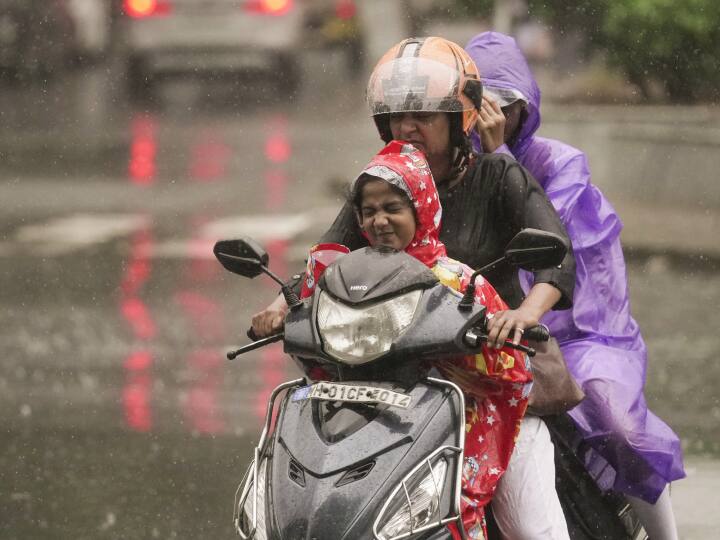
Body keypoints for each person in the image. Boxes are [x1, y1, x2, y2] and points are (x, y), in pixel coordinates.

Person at [253, 36, 572, 539]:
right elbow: (327, 257)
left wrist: (524, 315)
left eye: (424, 114)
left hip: (490, 372)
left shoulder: (497, 173)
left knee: (530, 524)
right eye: (398, 117)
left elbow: (557, 256)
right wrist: (279, 304)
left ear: (459, 116)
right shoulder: (383, 185)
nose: (408, 127)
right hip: (393, 373)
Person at [466, 31, 685, 539]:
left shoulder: (557, 165)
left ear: (526, 107)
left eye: (506, 106)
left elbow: (549, 242)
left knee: (621, 428)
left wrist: (498, 157)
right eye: (479, 107)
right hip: (480, 332)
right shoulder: (444, 165)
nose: (492, 120)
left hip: (578, 333)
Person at [343, 139, 535, 539]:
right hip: (364, 414)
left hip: (453, 420)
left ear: (422, 207)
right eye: (369, 211)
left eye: (392, 208)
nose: (379, 221)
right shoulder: (350, 280)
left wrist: (475, 361)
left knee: (451, 509)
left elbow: (512, 373)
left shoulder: (459, 281)